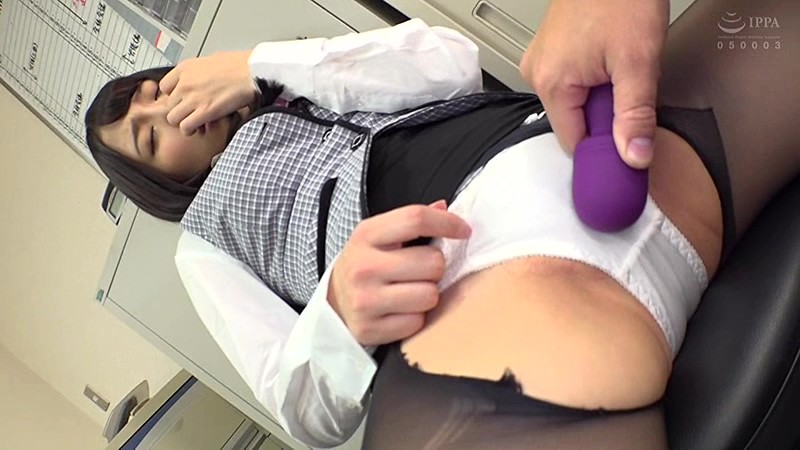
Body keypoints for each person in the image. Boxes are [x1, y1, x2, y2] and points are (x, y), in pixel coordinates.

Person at [84, 0, 799, 446]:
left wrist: (259, 64)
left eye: (158, 92)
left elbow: (448, 63)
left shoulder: (293, 82)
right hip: (488, 305)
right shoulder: (203, 243)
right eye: (151, 136)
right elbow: (301, 414)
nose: (171, 113)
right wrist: (338, 317)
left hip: (599, 138)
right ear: (159, 182)